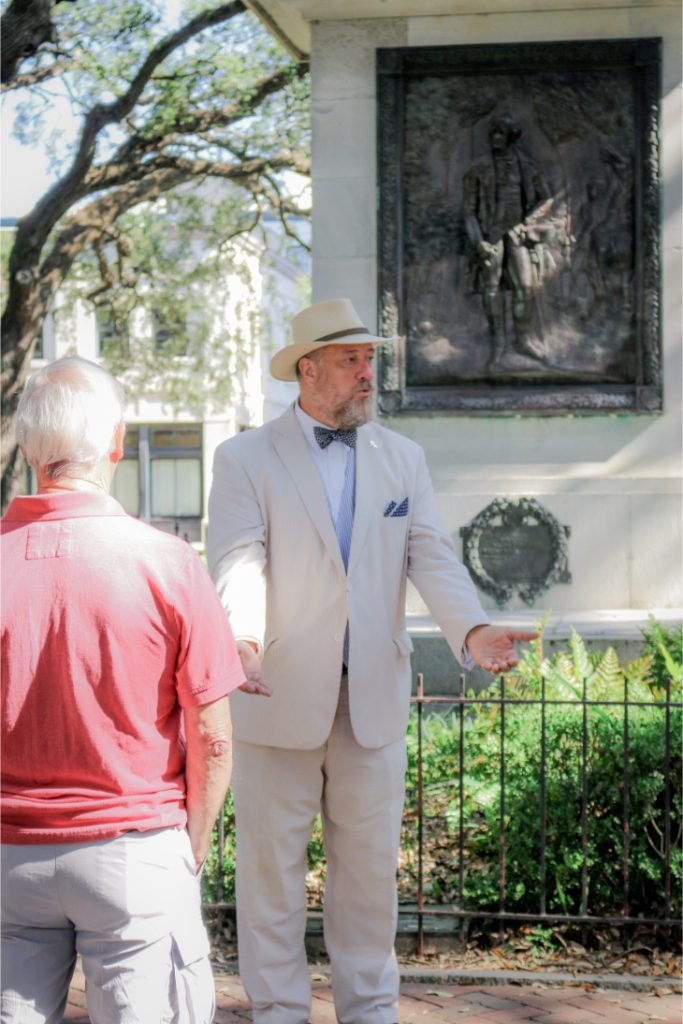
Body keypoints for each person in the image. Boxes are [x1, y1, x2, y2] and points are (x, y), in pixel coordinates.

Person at [206, 297, 537, 1024]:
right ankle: (279, 1014)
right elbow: (237, 561)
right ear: (308, 368)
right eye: (352, 359)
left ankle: (371, 1013)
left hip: (374, 708)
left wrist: (472, 630)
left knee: (366, 884)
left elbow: (431, 556)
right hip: (273, 697)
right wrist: (242, 643)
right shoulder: (243, 458)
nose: (366, 373)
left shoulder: (403, 456)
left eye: (370, 358)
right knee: (270, 883)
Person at [0, 356, 265, 1023]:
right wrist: (190, 849)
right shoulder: (167, 563)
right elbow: (211, 739)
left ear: (29, 450)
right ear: (116, 443)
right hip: (132, 847)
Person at [463, 113, 552, 367]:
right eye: (493, 132)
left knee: (525, 285)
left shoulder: (527, 167)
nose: (495, 137)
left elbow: (546, 198)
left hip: (517, 234)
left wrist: (527, 223)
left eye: (500, 132)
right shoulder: (477, 169)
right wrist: (478, 242)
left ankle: (522, 340)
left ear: (512, 136)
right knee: (491, 290)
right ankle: (498, 345)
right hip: (491, 235)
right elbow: (468, 211)